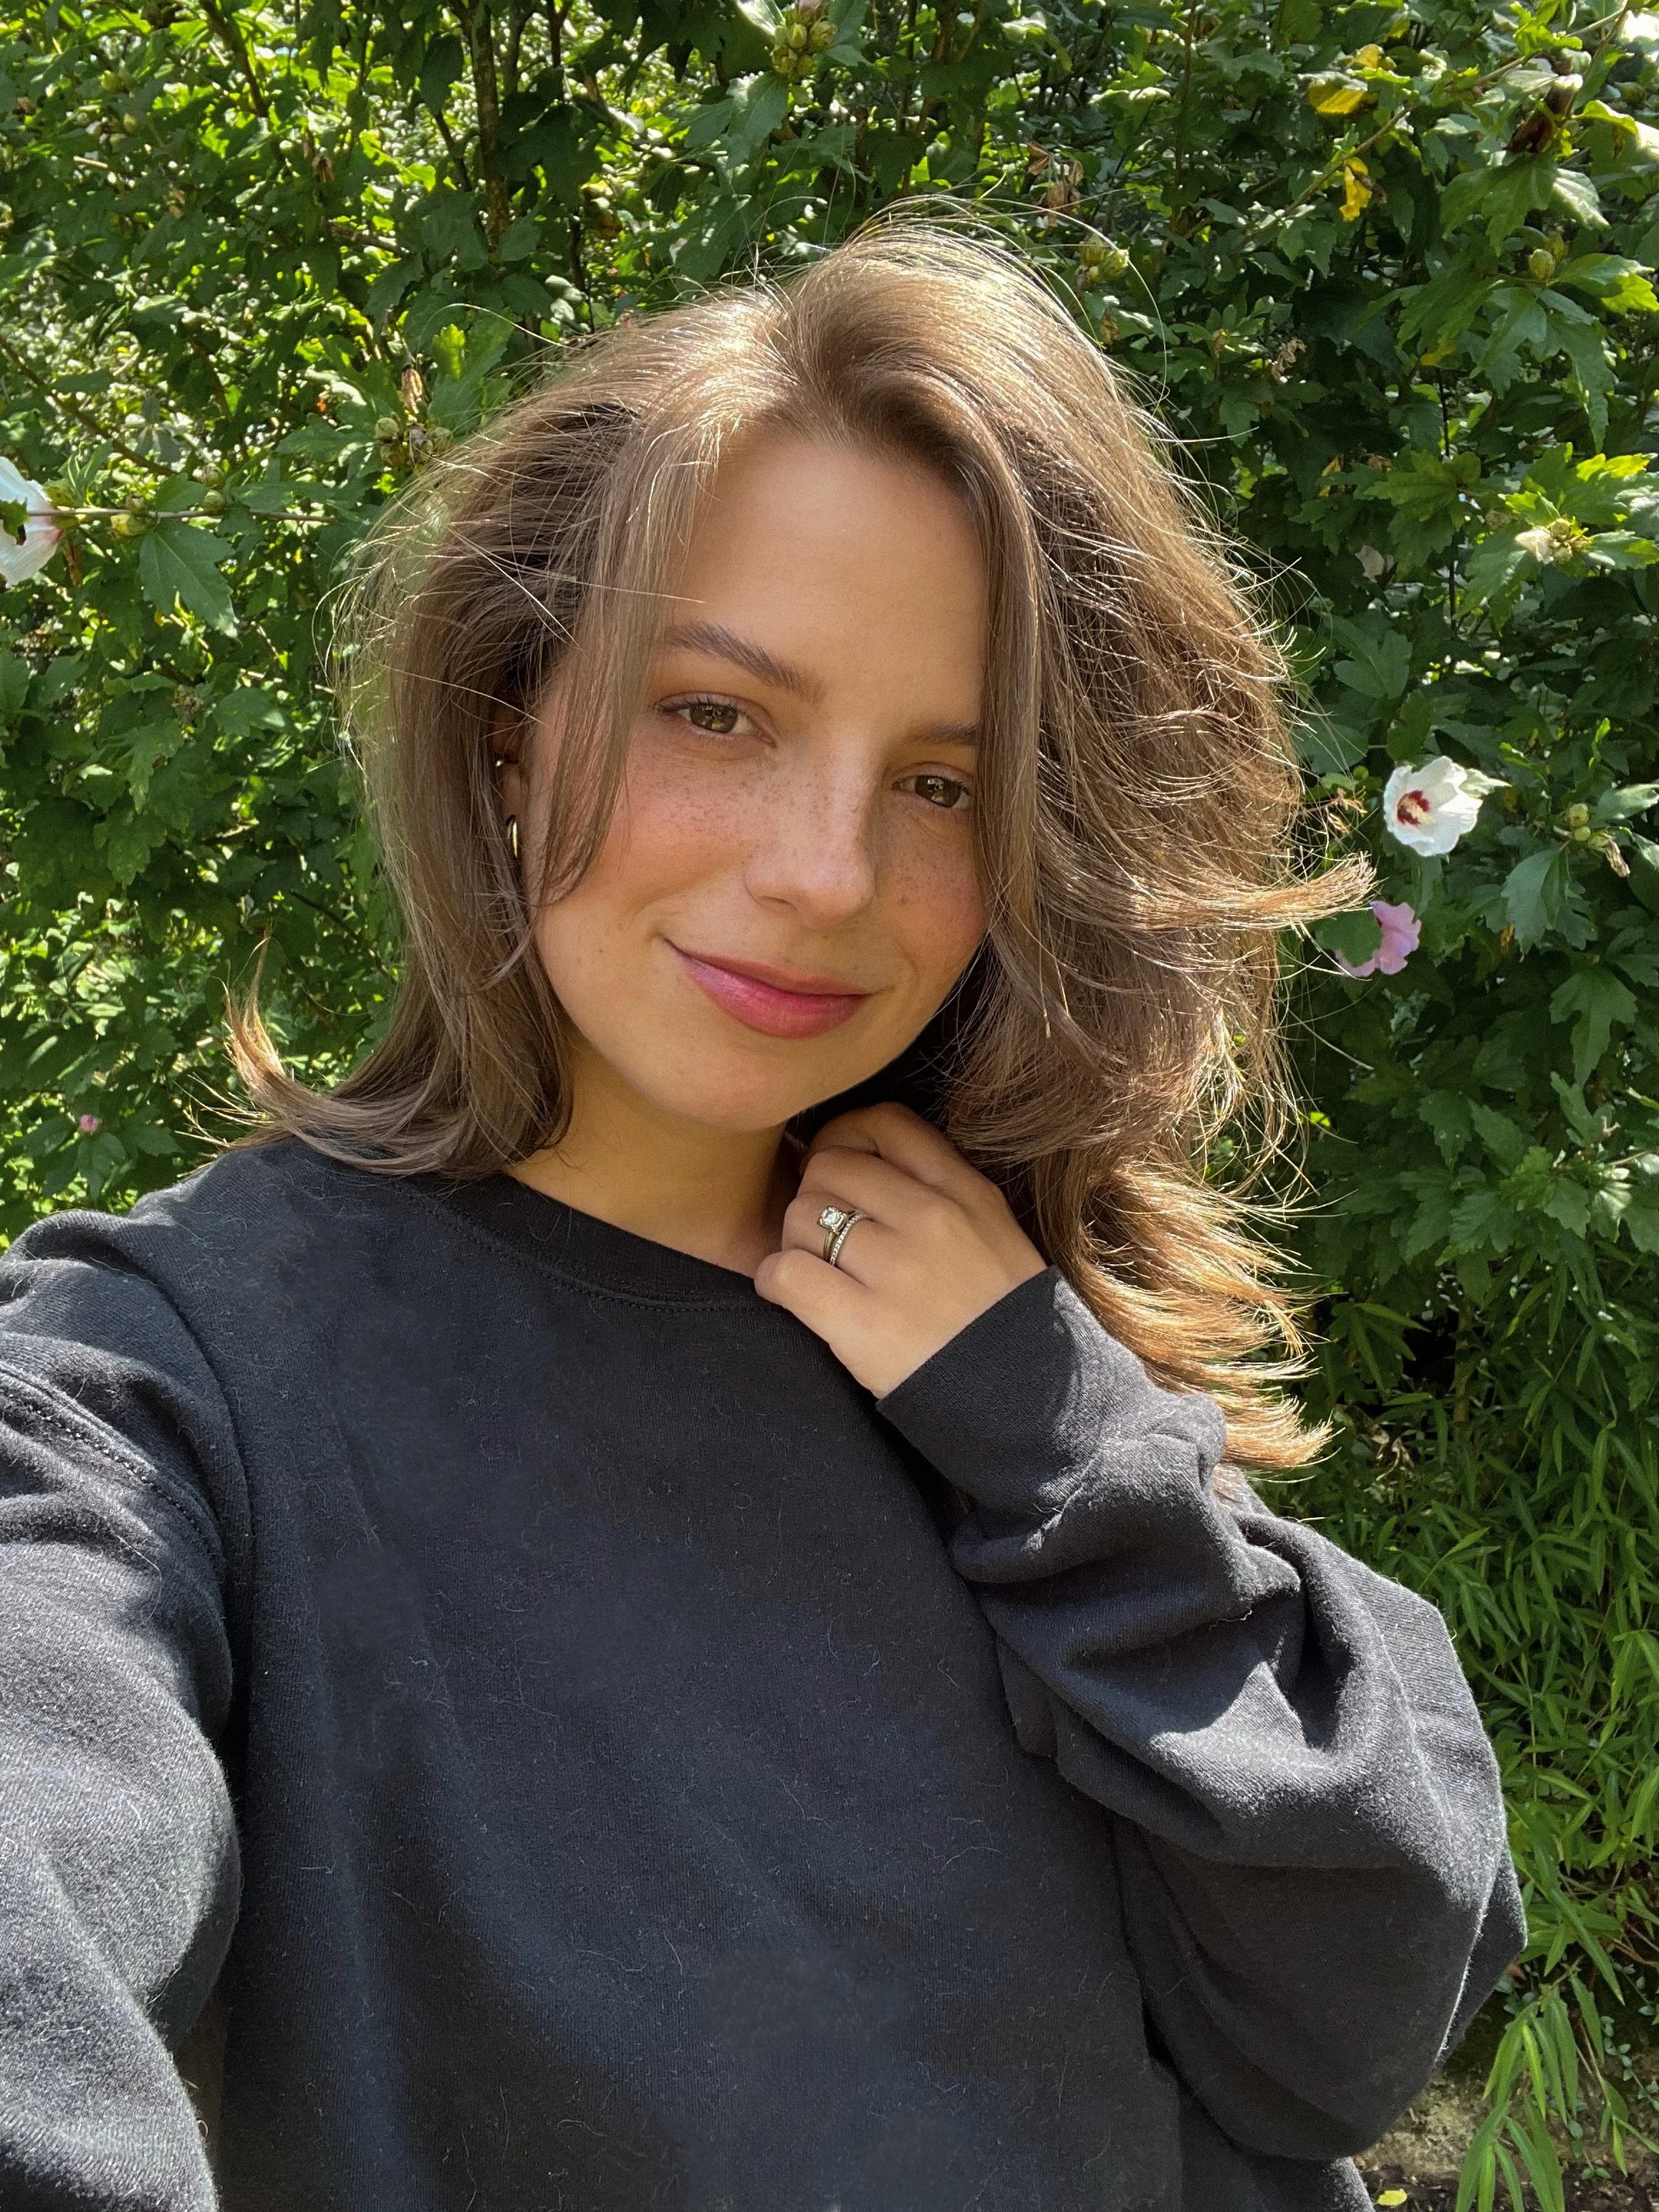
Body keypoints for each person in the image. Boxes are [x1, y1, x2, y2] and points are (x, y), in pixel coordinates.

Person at [0, 221, 1523, 2212]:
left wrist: (1061, 1445)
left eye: (948, 781)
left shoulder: (1009, 1337)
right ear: (507, 727)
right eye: (713, 714)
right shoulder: (168, 1392)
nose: (825, 873)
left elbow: (1347, 2030)